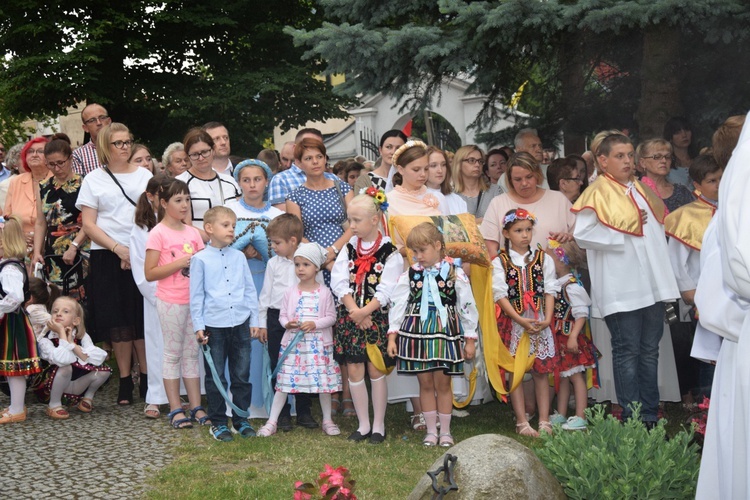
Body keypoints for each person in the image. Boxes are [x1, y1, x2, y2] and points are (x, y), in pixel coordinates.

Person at [572, 131, 680, 427]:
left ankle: (650, 415)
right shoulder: (597, 192)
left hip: (652, 286)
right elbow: (582, 235)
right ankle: (633, 419)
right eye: (620, 156)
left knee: (649, 352)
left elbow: (656, 234)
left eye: (630, 155)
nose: (628, 161)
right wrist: (622, 229)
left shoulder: (640, 189)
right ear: (602, 160)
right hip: (623, 288)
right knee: (627, 352)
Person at [77, 122, 152, 405]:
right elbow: (89, 224)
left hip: (141, 251)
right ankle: (123, 380)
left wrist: (133, 250)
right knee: (118, 322)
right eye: (118, 143)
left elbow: (151, 216)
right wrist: (118, 249)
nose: (125, 147)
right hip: (107, 254)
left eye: (128, 141)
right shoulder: (93, 179)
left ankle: (146, 378)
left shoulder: (145, 175)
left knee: (141, 319)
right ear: (104, 147)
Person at [387, 222, 478, 447]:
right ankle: (430, 430)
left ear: (438, 246)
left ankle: (445, 431)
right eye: (414, 252)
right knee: (425, 383)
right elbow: (398, 304)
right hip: (416, 333)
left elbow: (466, 305)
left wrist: (469, 338)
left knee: (443, 383)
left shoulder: (454, 272)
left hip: (444, 331)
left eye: (422, 251)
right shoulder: (410, 274)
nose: (418, 256)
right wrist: (392, 335)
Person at [331, 190, 403, 444]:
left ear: (375, 220)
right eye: (350, 220)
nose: (352, 226)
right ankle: (363, 425)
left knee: (375, 367)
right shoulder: (348, 248)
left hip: (376, 319)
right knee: (354, 367)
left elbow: (387, 289)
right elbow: (339, 281)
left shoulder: (390, 252)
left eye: (357, 221)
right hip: (351, 317)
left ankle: (378, 425)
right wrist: (355, 311)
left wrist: (365, 312)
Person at [257, 243, 342, 437]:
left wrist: (315, 324)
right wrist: (288, 324)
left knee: (323, 384)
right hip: (294, 347)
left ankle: (327, 420)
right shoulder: (290, 292)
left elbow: (331, 317)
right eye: (297, 264)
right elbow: (283, 315)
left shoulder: (325, 292)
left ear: (317, 268)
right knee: (284, 382)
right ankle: (272, 421)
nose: (300, 269)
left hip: (318, 347)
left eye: (306, 264)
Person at [191, 206, 259, 441]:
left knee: (241, 374)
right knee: (216, 376)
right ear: (209, 228)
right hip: (214, 326)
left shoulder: (239, 257)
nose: (232, 229)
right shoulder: (199, 259)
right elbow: (196, 296)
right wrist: (199, 327)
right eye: (226, 225)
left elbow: (250, 290)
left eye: (233, 225)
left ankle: (241, 419)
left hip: (240, 323)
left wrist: (255, 320)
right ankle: (218, 422)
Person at [144, 179, 207, 429]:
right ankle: (174, 408)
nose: (184, 205)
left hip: (194, 301)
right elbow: (150, 272)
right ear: (163, 203)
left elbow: (201, 264)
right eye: (178, 200)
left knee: (192, 354)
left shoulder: (193, 233)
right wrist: (181, 262)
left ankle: (196, 406)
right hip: (171, 301)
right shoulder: (157, 233)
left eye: (187, 199)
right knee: (172, 354)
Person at [492, 209, 558, 437]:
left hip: (539, 320)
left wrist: (547, 318)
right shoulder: (500, 261)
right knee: (516, 371)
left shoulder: (543, 258)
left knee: (541, 370)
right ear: (507, 233)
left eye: (528, 230)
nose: (525, 235)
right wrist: (519, 319)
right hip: (515, 322)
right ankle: (521, 420)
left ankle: (544, 419)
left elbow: (550, 289)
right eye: (519, 230)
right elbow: (499, 294)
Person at [225, 159, 283, 417]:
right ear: (239, 183)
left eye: (257, 179)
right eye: (246, 180)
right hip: (235, 283)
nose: (252, 185)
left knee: (265, 336)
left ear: (266, 181)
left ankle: (268, 402)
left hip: (267, 282)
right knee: (239, 339)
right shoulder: (228, 211)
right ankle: (239, 401)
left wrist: (263, 252)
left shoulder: (277, 216)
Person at [664, 154, 723, 403]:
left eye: (722, 178)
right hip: (704, 294)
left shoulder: (736, 209)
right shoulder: (685, 216)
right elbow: (676, 261)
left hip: (735, 293)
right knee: (710, 351)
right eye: (712, 180)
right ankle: (707, 402)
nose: (719, 185)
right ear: (697, 184)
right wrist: (690, 293)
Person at [258, 214, 320, 430]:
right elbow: (265, 295)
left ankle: (304, 411)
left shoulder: (308, 261)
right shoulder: (274, 264)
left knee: (303, 364)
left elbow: (317, 290)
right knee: (279, 364)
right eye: (272, 242)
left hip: (302, 320)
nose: (273, 246)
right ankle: (283, 413)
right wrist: (263, 324)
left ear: (293, 241)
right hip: (276, 319)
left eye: (277, 242)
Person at [131, 175, 174, 419]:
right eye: (164, 198)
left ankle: (182, 394)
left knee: (182, 347)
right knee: (158, 346)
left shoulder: (180, 225)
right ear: (151, 197)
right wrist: (159, 297)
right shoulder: (141, 229)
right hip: (157, 297)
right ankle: (156, 396)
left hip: (181, 295)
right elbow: (141, 270)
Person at [481, 152, 575, 257]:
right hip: (511, 271)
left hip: (557, 271)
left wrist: (569, 238)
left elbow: (580, 237)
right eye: (518, 179)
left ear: (537, 175)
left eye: (529, 177)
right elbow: (490, 249)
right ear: (510, 180)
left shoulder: (559, 200)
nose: (524, 183)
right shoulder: (497, 203)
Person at [546, 239, 597, 431]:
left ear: (559, 259)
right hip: (561, 338)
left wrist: (574, 336)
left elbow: (581, 313)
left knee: (576, 376)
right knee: (564, 376)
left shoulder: (572, 286)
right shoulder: (559, 284)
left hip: (569, 338)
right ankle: (561, 413)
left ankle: (581, 415)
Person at [34, 297, 111, 419]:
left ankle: (87, 398)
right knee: (65, 367)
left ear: (76, 320)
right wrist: (61, 333)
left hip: (77, 384)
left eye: (65, 311)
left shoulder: (82, 336)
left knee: (104, 371)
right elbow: (62, 360)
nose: (59, 314)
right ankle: (54, 405)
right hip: (52, 386)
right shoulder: (45, 340)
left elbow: (97, 358)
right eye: (55, 311)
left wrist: (72, 344)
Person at [31, 138, 88, 300]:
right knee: (57, 300)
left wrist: (74, 247)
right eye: (51, 164)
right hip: (53, 252)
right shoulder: (43, 186)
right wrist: (36, 252)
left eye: (61, 163)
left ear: (70, 159)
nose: (57, 168)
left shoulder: (85, 183)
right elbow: (41, 222)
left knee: (81, 300)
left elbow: (90, 221)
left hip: (80, 248)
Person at [286, 138, 353, 276]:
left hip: (346, 258)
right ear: (299, 163)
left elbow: (355, 225)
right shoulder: (294, 197)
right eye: (308, 158)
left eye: (319, 157)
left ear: (325, 159)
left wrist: (333, 250)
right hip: (313, 264)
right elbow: (297, 235)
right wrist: (322, 258)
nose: (315, 162)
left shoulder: (344, 189)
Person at [0, 216, 42, 424]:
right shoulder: (10, 265)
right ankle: (15, 405)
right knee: (11, 367)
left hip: (11, 321)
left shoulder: (9, 268)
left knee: (15, 366)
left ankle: (17, 408)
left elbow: (15, 297)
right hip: (11, 320)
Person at [177, 128, 240, 236]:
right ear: (188, 156)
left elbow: (241, 216)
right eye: (195, 154)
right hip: (197, 247)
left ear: (213, 150)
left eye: (205, 152)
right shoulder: (180, 183)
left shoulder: (230, 181)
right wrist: (215, 240)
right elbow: (182, 224)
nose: (201, 158)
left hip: (232, 245)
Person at [268, 128, 337, 209]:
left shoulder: (334, 179)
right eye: (308, 146)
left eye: (318, 146)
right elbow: (283, 218)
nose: (313, 150)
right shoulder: (281, 180)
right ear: (295, 148)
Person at [4, 137, 52, 243]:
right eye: (30, 152)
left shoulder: (57, 181)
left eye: (40, 151)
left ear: (50, 156)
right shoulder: (16, 182)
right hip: (20, 243)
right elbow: (7, 216)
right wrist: (19, 235)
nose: (34, 155)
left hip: (51, 242)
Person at [636, 138, 694, 214]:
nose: (664, 161)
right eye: (657, 157)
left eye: (667, 157)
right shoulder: (635, 191)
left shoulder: (682, 192)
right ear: (643, 163)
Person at [453, 144, 503, 221]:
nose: (477, 164)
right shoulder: (451, 196)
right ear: (459, 164)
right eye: (471, 160)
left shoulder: (495, 191)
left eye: (480, 161)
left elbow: (503, 220)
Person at [353, 130, 408, 194]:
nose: (393, 152)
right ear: (380, 150)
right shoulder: (365, 180)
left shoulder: (410, 178)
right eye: (389, 147)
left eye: (398, 148)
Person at [72, 103, 112, 176]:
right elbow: (81, 185)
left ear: (109, 121)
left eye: (102, 117)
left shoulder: (124, 147)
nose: (99, 123)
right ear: (85, 128)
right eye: (92, 120)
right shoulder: (78, 155)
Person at [426, 146, 467, 215]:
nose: (440, 170)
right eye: (433, 165)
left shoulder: (457, 200)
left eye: (443, 165)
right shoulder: (415, 199)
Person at [663, 116, 697, 189]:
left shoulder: (699, 160)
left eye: (687, 130)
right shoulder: (665, 163)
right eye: (677, 132)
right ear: (670, 137)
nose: (684, 135)